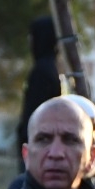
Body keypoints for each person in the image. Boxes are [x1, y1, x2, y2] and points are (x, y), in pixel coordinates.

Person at [16, 15, 62, 153]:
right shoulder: (52, 67)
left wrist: (26, 138)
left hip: (37, 148)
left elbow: (35, 112)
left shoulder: (42, 72)